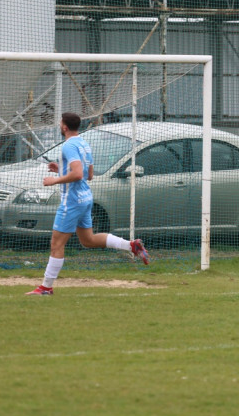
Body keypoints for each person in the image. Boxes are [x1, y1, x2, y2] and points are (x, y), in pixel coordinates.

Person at [26, 111, 150, 296]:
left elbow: (77, 174)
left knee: (56, 245)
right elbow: (88, 175)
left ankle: (46, 287)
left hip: (73, 201)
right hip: (85, 198)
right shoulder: (84, 143)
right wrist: (60, 169)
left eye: (60, 123)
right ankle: (131, 245)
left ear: (64, 126)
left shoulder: (68, 146)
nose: (60, 125)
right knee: (88, 240)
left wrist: (54, 180)